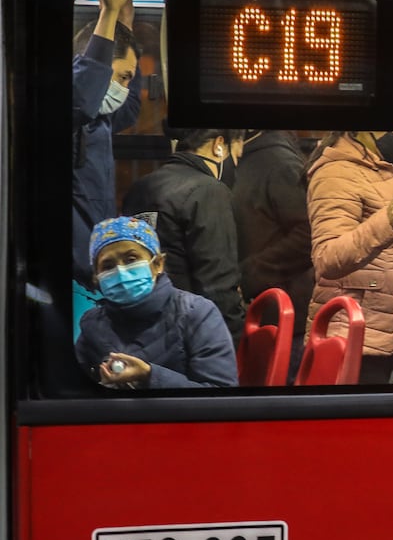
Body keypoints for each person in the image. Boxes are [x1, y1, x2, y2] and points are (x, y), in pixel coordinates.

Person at [305, 131, 393, 383]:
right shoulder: (336, 173)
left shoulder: (388, 169)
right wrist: (387, 221)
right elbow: (327, 257)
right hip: (355, 334)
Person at [76, 216, 238, 389]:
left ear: (158, 264)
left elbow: (220, 394)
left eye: (131, 259)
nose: (121, 272)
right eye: (108, 266)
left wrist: (149, 375)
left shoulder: (197, 313)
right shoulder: (92, 324)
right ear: (96, 277)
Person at [123, 128, 246, 341]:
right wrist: (231, 338)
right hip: (191, 333)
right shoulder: (208, 191)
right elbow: (217, 283)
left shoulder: (140, 187)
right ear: (218, 144)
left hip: (140, 327)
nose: (233, 165)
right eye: (235, 155)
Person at [72, 0, 142, 336]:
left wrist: (125, 24)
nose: (121, 89)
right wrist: (108, 15)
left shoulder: (101, 123)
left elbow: (129, 109)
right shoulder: (67, 113)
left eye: (128, 79)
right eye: (119, 76)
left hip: (93, 274)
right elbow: (83, 93)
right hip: (67, 276)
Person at [231, 129, 313, 380]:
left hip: (284, 311)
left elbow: (308, 235)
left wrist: (249, 274)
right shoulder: (243, 162)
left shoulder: (279, 163)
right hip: (259, 308)